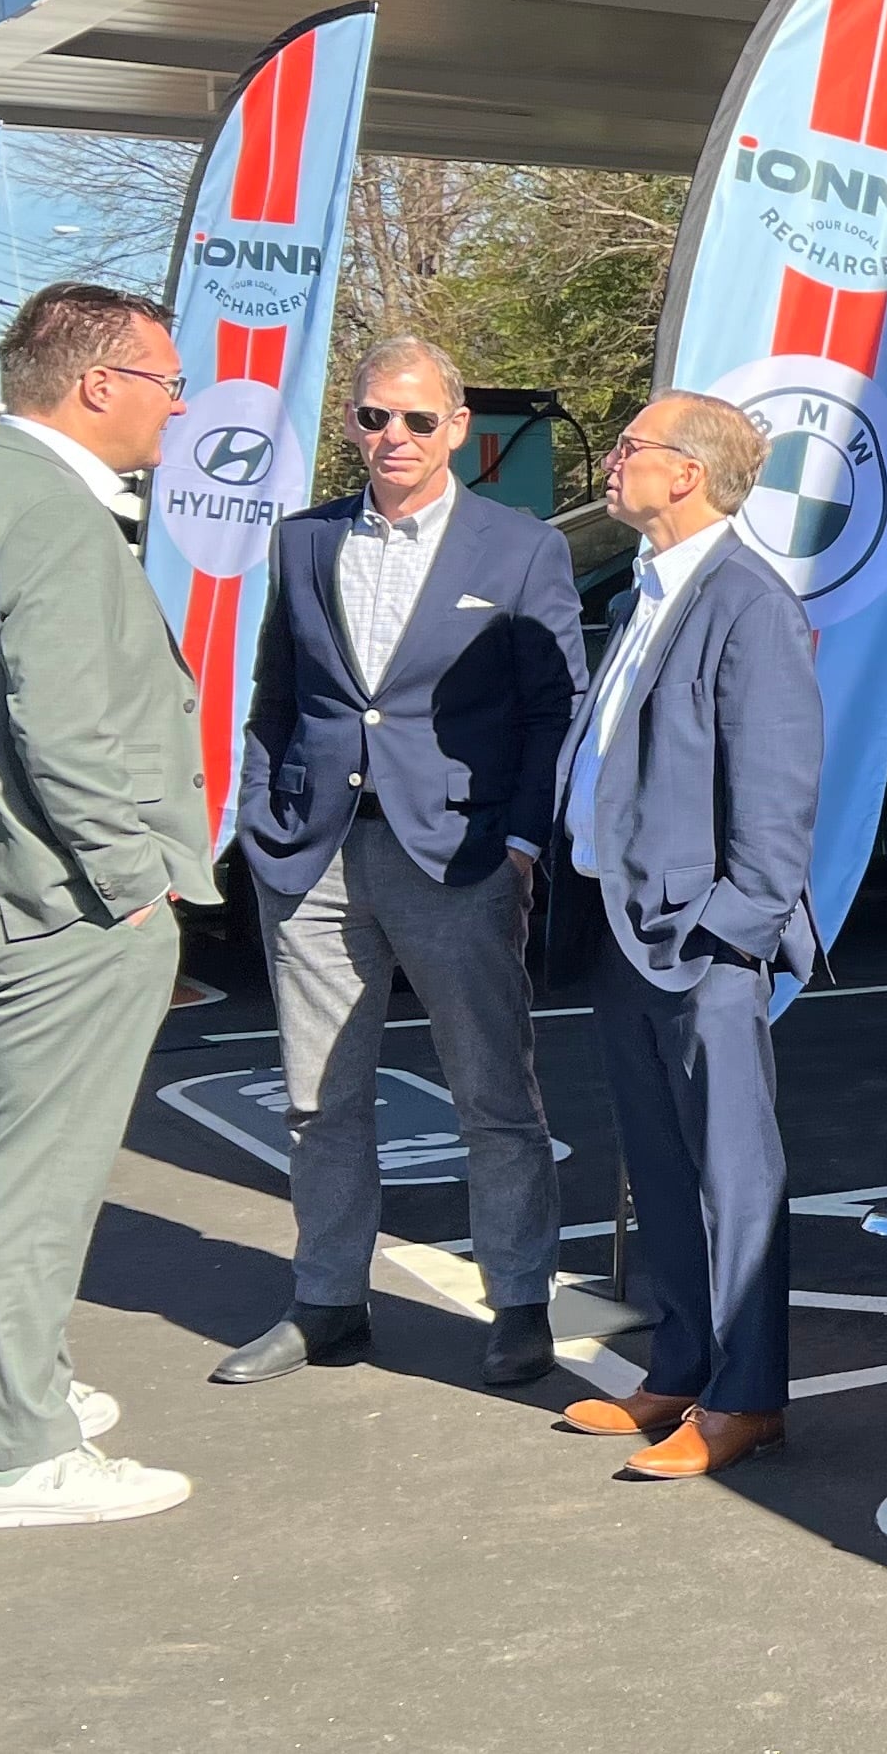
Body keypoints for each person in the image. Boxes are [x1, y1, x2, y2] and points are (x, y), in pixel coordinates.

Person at [0, 283, 212, 1529]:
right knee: (40, 1180)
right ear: (97, 385)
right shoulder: (52, 516)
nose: (178, 408)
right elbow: (64, 729)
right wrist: (137, 889)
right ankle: (18, 1455)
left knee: (12, 1160)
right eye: (165, 383)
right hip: (62, 904)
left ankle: (27, 1393)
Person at [214, 336, 585, 1389]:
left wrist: (520, 842)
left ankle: (518, 1303)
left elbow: (551, 709)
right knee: (318, 1100)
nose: (395, 438)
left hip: (459, 856)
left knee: (492, 1096)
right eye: (375, 417)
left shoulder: (519, 549)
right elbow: (276, 698)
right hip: (315, 856)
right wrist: (260, 820)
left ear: (459, 429)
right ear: (352, 426)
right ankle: (327, 1301)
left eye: (418, 420)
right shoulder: (302, 543)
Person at [547, 393, 819, 1479]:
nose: (612, 462)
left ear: (690, 474)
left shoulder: (747, 601)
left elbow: (779, 787)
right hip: (624, 924)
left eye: (631, 448)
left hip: (695, 938)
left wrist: (729, 927)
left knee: (733, 1173)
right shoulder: (647, 596)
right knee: (658, 1163)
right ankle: (682, 1366)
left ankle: (746, 1399)